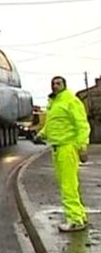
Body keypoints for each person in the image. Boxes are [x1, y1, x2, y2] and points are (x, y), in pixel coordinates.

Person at [35, 76, 90, 232]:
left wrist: (83, 146)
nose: (55, 86)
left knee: (68, 185)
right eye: (53, 83)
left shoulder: (70, 101)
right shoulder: (54, 103)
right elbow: (52, 124)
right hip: (58, 148)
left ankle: (75, 220)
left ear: (64, 85)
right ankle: (79, 215)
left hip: (67, 147)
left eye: (58, 83)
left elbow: (82, 124)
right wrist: (41, 134)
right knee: (68, 184)